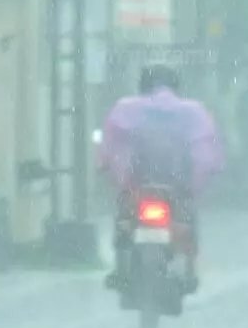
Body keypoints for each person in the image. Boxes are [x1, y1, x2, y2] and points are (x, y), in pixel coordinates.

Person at [96, 64, 225, 288]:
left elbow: (111, 148)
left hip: (137, 186)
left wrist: (109, 169)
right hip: (178, 187)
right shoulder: (193, 112)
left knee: (124, 219)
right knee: (187, 220)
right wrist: (201, 179)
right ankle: (189, 271)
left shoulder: (126, 108)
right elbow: (206, 154)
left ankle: (121, 268)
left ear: (143, 85)